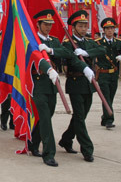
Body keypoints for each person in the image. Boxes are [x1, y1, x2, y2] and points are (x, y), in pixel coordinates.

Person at [28, 10, 80, 167]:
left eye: (50, 25)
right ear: (38, 25)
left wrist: (51, 50)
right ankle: (48, 153)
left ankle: (33, 142)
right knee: (44, 117)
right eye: (45, 24)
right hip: (38, 83)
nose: (48, 27)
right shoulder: (32, 40)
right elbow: (35, 56)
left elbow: (67, 52)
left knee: (47, 116)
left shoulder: (54, 40)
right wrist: (47, 67)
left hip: (52, 85)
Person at [59, 10, 104, 162]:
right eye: (81, 26)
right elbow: (70, 59)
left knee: (81, 116)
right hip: (75, 83)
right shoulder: (67, 43)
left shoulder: (88, 42)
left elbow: (101, 49)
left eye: (85, 26)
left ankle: (66, 139)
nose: (84, 29)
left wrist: (86, 52)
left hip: (88, 84)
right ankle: (87, 149)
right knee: (79, 116)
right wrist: (81, 62)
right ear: (74, 27)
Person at [95, 18, 121, 129]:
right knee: (106, 96)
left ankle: (105, 117)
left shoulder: (118, 42)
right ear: (104, 30)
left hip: (114, 74)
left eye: (112, 28)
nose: (110, 30)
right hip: (103, 74)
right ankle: (109, 119)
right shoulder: (98, 42)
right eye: (107, 28)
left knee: (111, 96)